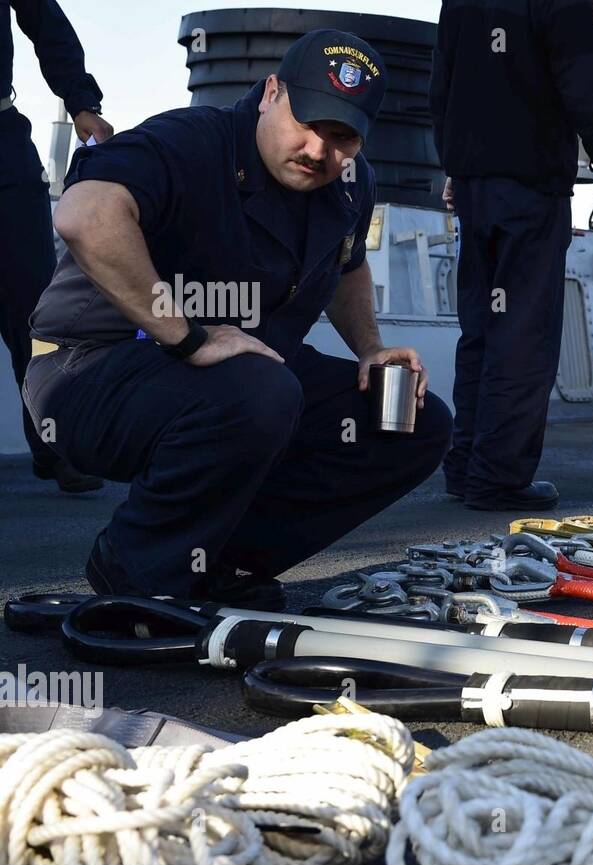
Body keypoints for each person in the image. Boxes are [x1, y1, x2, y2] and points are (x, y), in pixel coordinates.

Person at [23, 29, 451, 609]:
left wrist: (371, 349)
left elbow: (348, 261)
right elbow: (85, 214)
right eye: (307, 123)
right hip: (92, 368)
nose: (319, 152)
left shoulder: (349, 183)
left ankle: (216, 561)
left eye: (342, 137)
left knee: (410, 421)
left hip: (238, 372)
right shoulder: (189, 140)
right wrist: (187, 335)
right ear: (272, 92)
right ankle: (136, 573)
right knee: (259, 390)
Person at [429, 0, 593, 511]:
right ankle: (496, 478)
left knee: (480, 328)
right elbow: (583, 79)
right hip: (530, 186)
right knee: (524, 332)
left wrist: (456, 164)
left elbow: (444, 81)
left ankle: (466, 468)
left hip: (475, 184)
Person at [2, 0, 111, 492]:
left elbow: (47, 24)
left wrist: (81, 102)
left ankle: (52, 445)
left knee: (37, 311)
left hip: (3, 146)